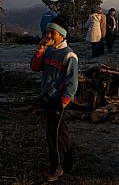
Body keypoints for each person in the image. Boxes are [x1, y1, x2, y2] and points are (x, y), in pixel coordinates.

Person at [30, 15, 78, 182]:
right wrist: (40, 50)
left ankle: (55, 167)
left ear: (62, 35)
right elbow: (35, 68)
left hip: (59, 101)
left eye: (52, 33)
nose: (48, 36)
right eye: (47, 32)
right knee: (61, 131)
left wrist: (63, 102)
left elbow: (72, 83)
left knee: (52, 134)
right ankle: (70, 160)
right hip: (47, 98)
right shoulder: (49, 51)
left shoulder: (69, 55)